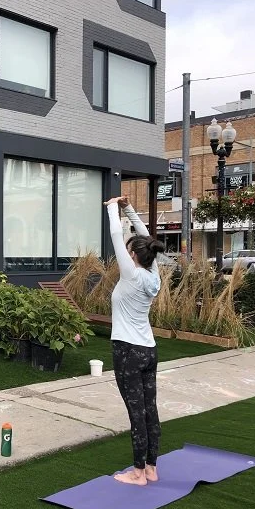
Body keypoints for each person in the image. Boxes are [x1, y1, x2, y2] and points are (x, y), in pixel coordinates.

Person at [105, 195, 165, 486]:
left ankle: (139, 473)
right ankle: (152, 468)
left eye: (131, 252)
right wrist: (127, 208)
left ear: (134, 257)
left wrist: (111, 208)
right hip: (149, 351)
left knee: (136, 413)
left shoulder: (131, 274)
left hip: (128, 352)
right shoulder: (154, 275)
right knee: (149, 410)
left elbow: (118, 235)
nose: (127, 253)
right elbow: (146, 239)